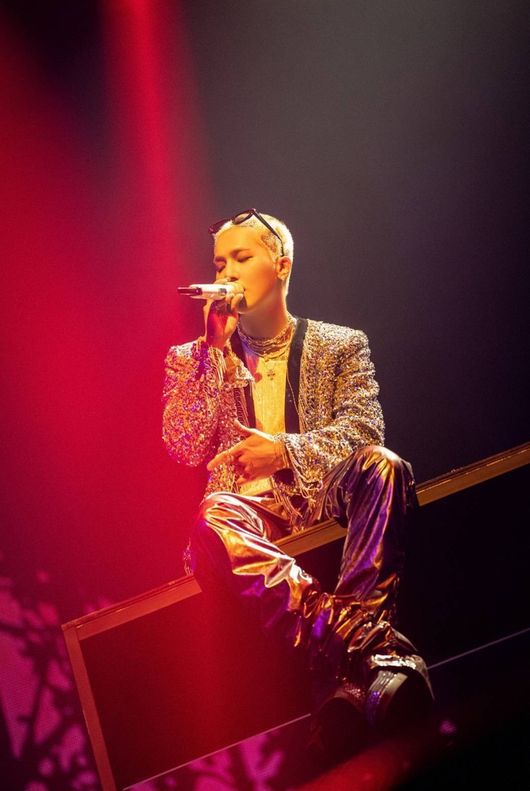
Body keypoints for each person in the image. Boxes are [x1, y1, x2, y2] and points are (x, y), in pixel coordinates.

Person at [162, 209, 433, 760]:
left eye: (242, 258)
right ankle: (370, 649)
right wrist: (213, 352)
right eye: (219, 263)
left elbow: (363, 432)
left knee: (384, 465)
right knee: (213, 516)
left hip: (321, 502)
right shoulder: (191, 358)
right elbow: (183, 446)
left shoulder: (339, 344)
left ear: (282, 265)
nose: (227, 273)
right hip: (249, 524)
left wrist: (282, 451)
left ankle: (343, 669)